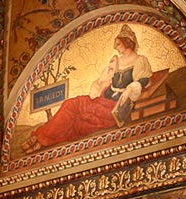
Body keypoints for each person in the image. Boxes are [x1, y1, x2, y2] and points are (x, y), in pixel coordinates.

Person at [23, 25, 152, 152]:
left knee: (77, 123)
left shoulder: (140, 60)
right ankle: (42, 137)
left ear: (127, 42)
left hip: (112, 109)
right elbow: (104, 79)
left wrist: (130, 89)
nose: (116, 47)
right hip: (100, 100)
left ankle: (43, 140)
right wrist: (99, 84)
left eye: (118, 44)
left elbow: (143, 81)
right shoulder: (116, 60)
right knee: (70, 104)